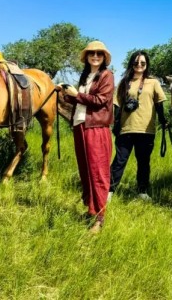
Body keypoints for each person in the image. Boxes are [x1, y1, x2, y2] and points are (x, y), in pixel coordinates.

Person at [59, 41, 114, 234]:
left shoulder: (107, 75)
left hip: (96, 127)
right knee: (86, 171)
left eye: (99, 53)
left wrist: (77, 94)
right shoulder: (85, 76)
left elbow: (101, 101)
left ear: (104, 57)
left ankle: (99, 218)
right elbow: (80, 100)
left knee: (98, 172)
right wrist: (66, 93)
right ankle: (91, 210)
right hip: (80, 125)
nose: (95, 56)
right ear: (87, 56)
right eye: (92, 53)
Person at [109, 50, 167, 201]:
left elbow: (159, 102)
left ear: (147, 64)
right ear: (131, 64)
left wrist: (163, 120)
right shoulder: (124, 83)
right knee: (119, 161)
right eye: (136, 62)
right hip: (126, 128)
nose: (139, 65)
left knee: (143, 162)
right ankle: (109, 190)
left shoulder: (153, 82)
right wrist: (115, 124)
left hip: (146, 129)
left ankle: (142, 191)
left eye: (142, 63)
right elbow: (117, 104)